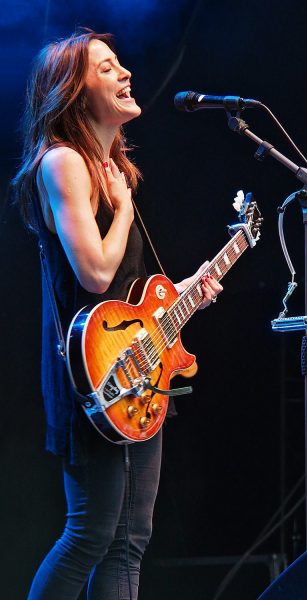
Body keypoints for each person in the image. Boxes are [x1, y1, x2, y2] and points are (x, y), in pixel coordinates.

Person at [13, 29, 222, 600]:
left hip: (133, 367)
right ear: (74, 93)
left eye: (120, 63)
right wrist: (125, 209)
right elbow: (95, 276)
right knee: (90, 534)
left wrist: (184, 292)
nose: (126, 73)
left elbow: (126, 295)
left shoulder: (112, 170)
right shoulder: (63, 162)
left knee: (130, 539)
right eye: (107, 68)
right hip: (93, 373)